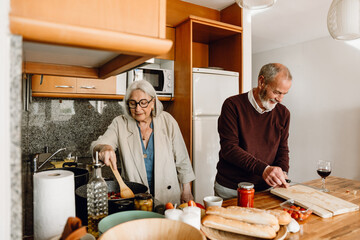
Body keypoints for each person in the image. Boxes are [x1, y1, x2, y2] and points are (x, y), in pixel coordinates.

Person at [90, 80, 195, 205]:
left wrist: (186, 190)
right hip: (136, 199)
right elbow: (97, 145)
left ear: (153, 103)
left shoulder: (168, 121)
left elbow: (182, 159)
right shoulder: (120, 123)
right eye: (133, 103)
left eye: (143, 103)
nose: (138, 108)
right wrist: (104, 147)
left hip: (169, 198)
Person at [215, 63, 292, 199]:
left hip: (266, 189)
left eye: (284, 94)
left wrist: (282, 173)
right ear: (261, 82)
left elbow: (282, 149)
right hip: (232, 188)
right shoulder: (232, 105)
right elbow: (229, 149)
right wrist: (264, 169)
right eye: (276, 92)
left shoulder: (283, 113)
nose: (280, 99)